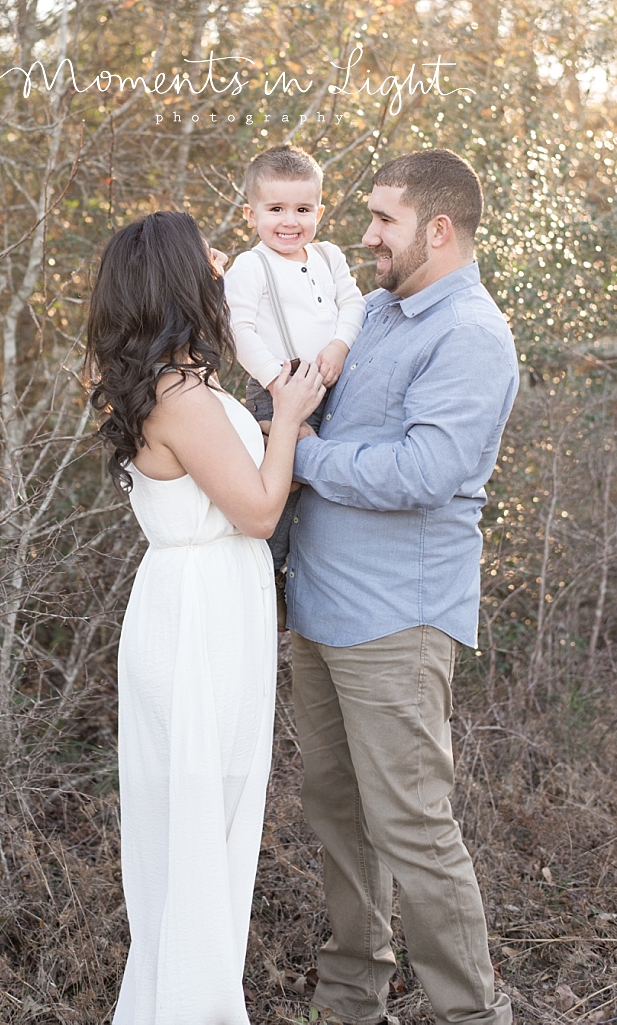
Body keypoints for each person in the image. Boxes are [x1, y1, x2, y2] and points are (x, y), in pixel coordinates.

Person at [286, 150, 518, 1025]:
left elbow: (424, 471)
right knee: (336, 813)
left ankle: (471, 1015)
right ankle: (351, 999)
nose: (367, 234)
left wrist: (296, 457)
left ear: (439, 229)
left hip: (397, 622)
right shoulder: (379, 310)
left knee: (414, 829)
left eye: (384, 220)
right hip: (320, 606)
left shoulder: (471, 335)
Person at [83, 210, 325, 1025]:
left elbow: (234, 482)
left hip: (206, 604)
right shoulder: (180, 395)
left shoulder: (184, 382)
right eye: (209, 257)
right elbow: (258, 509)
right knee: (197, 825)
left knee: (205, 819)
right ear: (180, 280)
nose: (224, 264)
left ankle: (179, 1002)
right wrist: (287, 418)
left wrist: (268, 426)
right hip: (197, 619)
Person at [225, 144, 366, 625]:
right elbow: (237, 330)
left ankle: (313, 580)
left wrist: (339, 347)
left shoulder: (328, 256)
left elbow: (354, 306)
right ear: (251, 214)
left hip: (331, 385)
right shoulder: (251, 266)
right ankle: (266, 579)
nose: (290, 221)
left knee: (322, 487)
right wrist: (276, 380)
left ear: (319, 212)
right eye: (276, 209)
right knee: (280, 490)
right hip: (277, 390)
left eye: (303, 209)